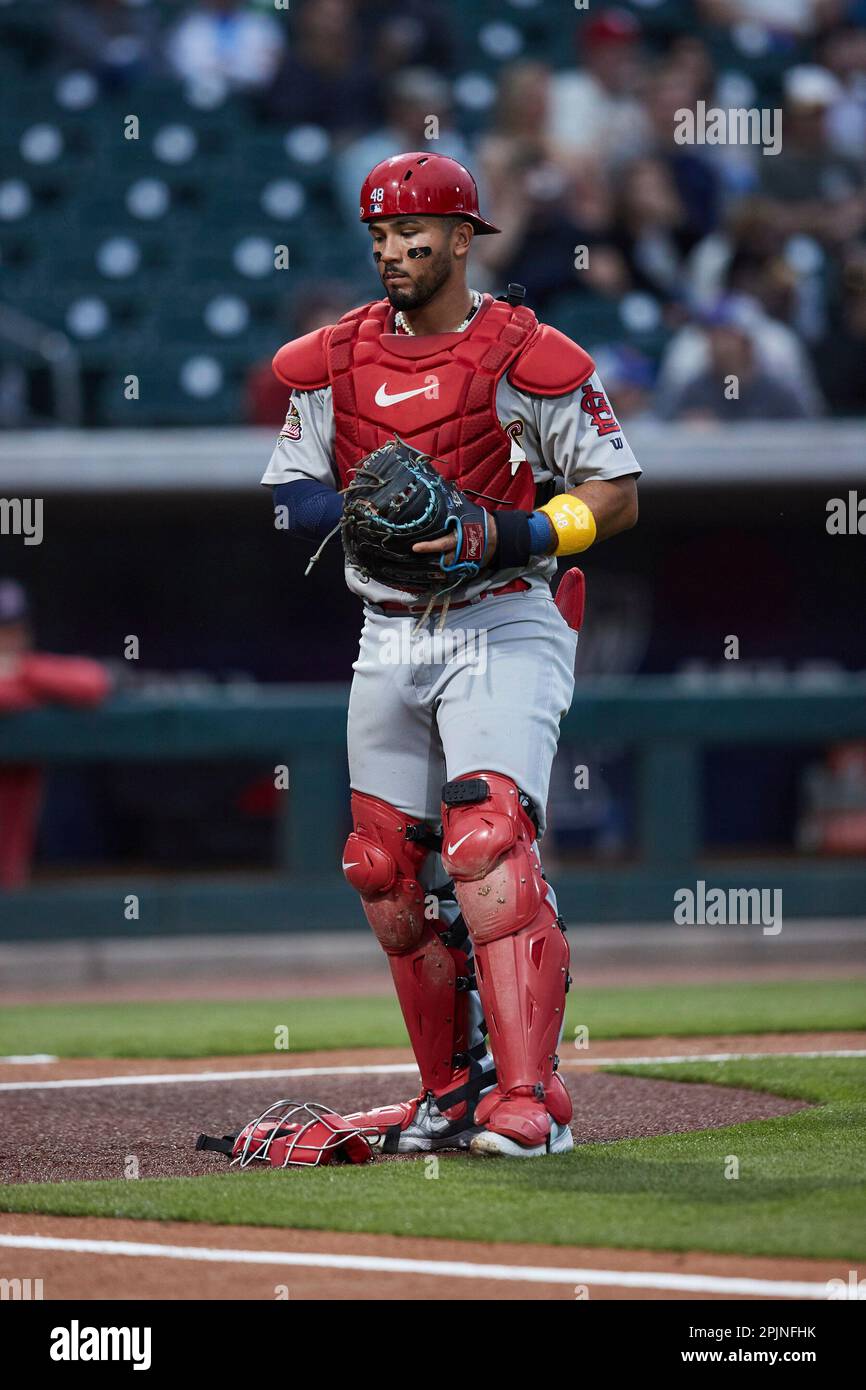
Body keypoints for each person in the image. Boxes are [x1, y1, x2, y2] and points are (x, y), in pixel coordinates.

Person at [261, 153, 640, 1158]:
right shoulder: (331, 360)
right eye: (379, 234)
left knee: (484, 839)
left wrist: (504, 532)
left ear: (463, 238)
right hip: (386, 628)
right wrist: (349, 515)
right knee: (381, 865)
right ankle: (447, 1093)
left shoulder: (526, 352)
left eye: (413, 232)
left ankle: (528, 1100)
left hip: (503, 612)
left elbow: (612, 492)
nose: (392, 250)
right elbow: (287, 491)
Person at [0, 581, 110, 890]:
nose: (6, 639)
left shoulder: (28, 672)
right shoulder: (30, 688)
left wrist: (21, 672)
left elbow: (92, 682)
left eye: (10, 628)